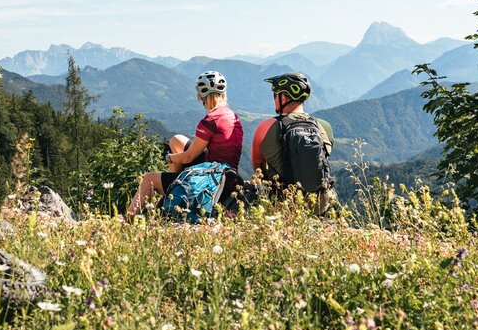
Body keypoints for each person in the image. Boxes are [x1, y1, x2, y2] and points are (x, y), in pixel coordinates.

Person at [127, 71, 244, 219]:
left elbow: (188, 157)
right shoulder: (232, 115)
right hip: (229, 175)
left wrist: (170, 158)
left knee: (149, 178)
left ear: (201, 96)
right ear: (223, 94)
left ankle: (127, 220)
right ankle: (174, 185)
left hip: (212, 180)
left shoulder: (209, 121)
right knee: (177, 140)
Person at [251, 72, 337, 215]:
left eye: (275, 95)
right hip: (320, 204)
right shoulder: (324, 127)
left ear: (283, 97)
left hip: (283, 204)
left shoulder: (265, 127)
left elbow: (258, 167)